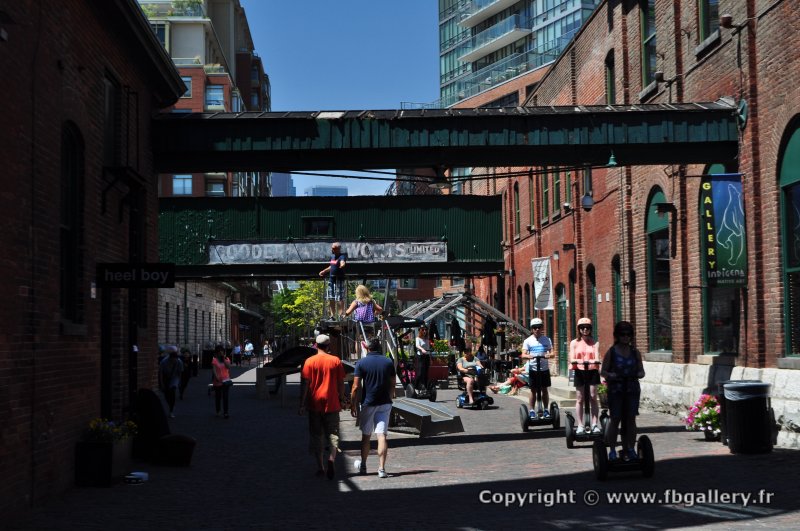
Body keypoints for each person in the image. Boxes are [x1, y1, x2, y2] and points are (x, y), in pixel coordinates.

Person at [299, 334, 345, 479]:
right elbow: (340, 383)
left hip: (314, 404)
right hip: (332, 403)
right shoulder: (335, 360)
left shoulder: (309, 361)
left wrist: (302, 403)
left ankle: (320, 466)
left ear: (316, 345)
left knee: (316, 435)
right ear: (328, 345)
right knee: (333, 434)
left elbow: (305, 384)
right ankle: (331, 458)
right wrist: (342, 398)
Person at [350, 338, 395, 478]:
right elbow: (393, 382)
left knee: (366, 436)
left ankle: (363, 465)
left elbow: (356, 386)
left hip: (368, 402)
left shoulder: (361, 362)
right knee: (382, 435)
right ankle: (381, 468)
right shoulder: (388, 361)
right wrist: (390, 396)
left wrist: (353, 404)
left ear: (367, 348)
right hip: (385, 402)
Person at [600, 321, 645, 461]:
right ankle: (612, 450)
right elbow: (603, 371)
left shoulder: (634, 352)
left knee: (631, 419)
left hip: (631, 388)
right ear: (617, 336)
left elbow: (641, 370)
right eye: (622, 334)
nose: (625, 337)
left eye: (628, 334)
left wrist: (639, 374)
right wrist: (611, 375)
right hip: (616, 389)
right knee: (615, 419)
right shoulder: (612, 352)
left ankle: (630, 448)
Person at [569, 317, 602, 435]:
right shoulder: (574, 343)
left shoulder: (595, 343)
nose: (585, 330)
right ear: (579, 329)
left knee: (593, 396)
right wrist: (574, 361)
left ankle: (594, 424)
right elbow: (572, 357)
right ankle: (580, 425)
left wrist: (596, 361)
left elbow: (597, 356)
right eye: (582, 328)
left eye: (587, 328)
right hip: (579, 370)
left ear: (590, 329)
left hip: (592, 370)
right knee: (580, 398)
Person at [520, 317, 554, 418]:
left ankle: (546, 410)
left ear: (542, 328)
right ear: (532, 329)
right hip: (533, 369)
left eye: (539, 327)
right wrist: (528, 356)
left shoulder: (547, 340)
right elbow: (523, 354)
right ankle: (531, 410)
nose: (537, 329)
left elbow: (552, 352)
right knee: (533, 390)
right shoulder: (528, 341)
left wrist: (549, 355)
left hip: (544, 369)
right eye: (535, 327)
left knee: (544, 389)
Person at [319, 242, 347, 318]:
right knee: (331, 297)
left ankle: (341, 315)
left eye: (334, 248)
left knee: (340, 297)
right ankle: (332, 315)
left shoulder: (342, 256)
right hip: (331, 279)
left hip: (339, 279)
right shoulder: (332, 256)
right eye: (332, 248)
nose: (332, 249)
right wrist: (324, 271)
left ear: (338, 249)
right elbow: (331, 266)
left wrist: (342, 265)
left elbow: (342, 262)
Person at [159, 345, 183, 418]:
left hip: (174, 377)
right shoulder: (164, 362)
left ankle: (171, 410)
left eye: (175, 359)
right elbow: (160, 373)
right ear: (170, 358)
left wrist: (179, 383)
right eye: (173, 360)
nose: (174, 361)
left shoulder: (179, 362)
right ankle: (170, 405)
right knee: (166, 394)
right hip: (165, 377)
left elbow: (180, 373)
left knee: (172, 391)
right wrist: (162, 383)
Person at [211, 344, 232, 419]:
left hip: (226, 380)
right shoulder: (215, 360)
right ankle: (218, 410)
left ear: (224, 352)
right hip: (218, 381)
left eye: (222, 351)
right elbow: (214, 370)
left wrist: (223, 359)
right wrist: (217, 378)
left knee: (225, 397)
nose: (220, 353)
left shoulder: (227, 359)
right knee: (218, 397)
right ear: (216, 353)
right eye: (219, 352)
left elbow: (228, 367)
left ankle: (226, 413)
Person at [414, 325, 432, 391]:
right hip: (420, 357)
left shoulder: (426, 339)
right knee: (419, 373)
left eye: (426, 330)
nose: (425, 331)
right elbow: (417, 345)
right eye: (423, 330)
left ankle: (425, 387)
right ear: (421, 331)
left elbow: (428, 348)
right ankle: (416, 387)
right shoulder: (418, 338)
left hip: (426, 357)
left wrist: (430, 358)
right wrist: (422, 349)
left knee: (426, 373)